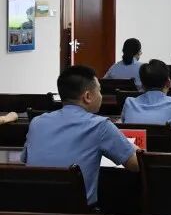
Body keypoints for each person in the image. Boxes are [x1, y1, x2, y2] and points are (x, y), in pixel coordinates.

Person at [21, 65, 139, 206]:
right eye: (99, 91)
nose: (101, 96)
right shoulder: (100, 125)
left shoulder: (37, 122)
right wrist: (131, 146)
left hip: (34, 208)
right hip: (78, 212)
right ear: (88, 97)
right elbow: (137, 164)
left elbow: (25, 160)